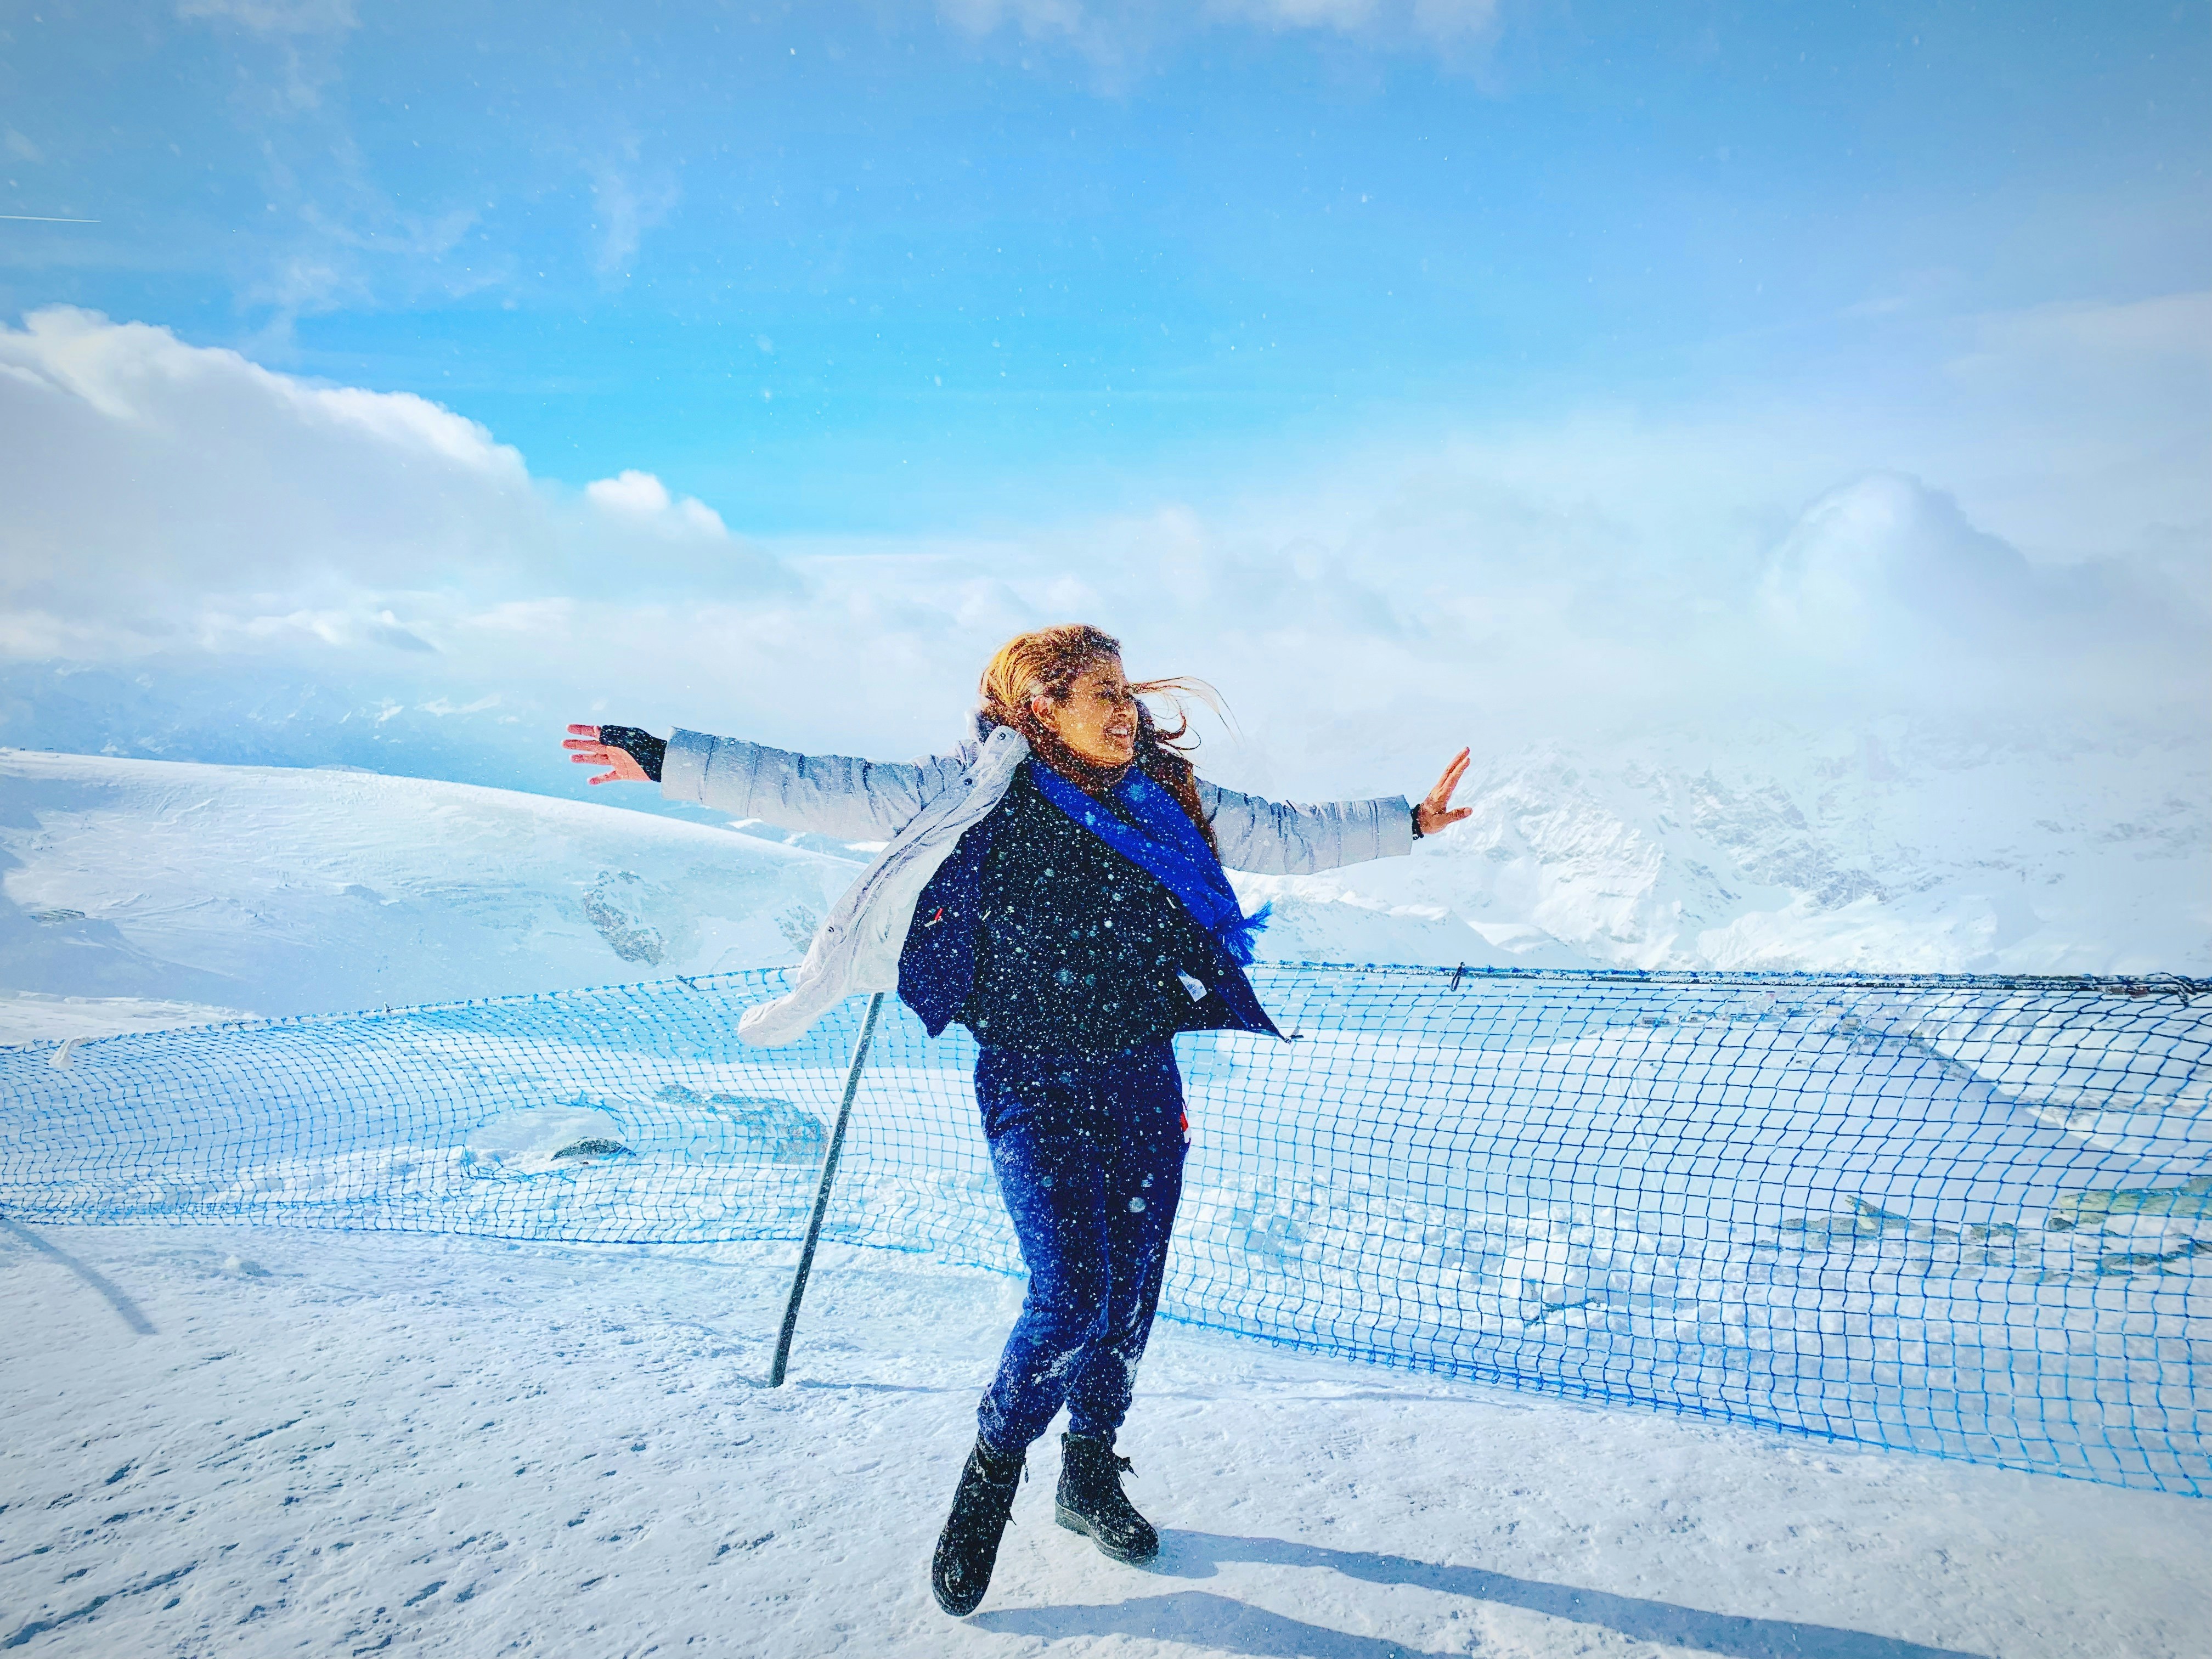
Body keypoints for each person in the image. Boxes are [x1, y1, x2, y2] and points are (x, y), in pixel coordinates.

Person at [561, 624, 1470, 1616]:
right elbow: (812, 783)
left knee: (1130, 1297)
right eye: (1104, 696)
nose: (1128, 713)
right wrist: (664, 757)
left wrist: (1409, 820)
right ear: (1042, 706)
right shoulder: (972, 785)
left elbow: (1290, 835)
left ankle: (1087, 1476)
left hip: (1139, 1077)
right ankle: (992, 1475)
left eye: (1128, 693)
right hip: (1031, 1078)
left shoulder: (1167, 794)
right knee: (1071, 1291)